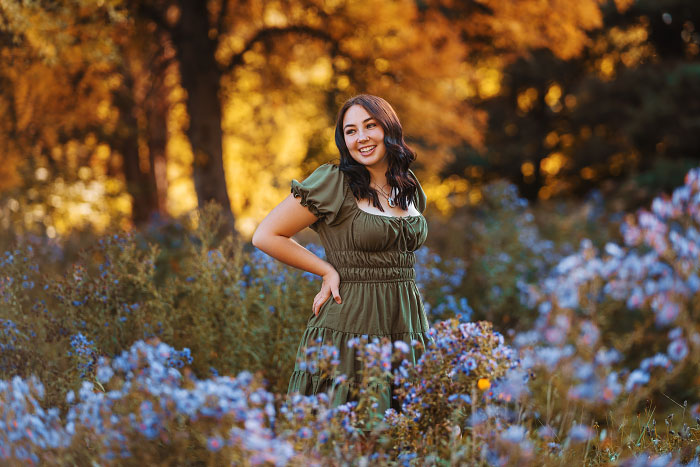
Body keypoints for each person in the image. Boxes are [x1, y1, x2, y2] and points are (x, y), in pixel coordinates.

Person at [252, 94, 430, 415]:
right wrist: (326, 270)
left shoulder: (409, 185)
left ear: (388, 129)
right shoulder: (334, 182)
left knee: (408, 431)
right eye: (350, 131)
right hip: (351, 321)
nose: (360, 137)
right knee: (353, 433)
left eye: (370, 126)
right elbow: (266, 235)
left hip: (405, 321)